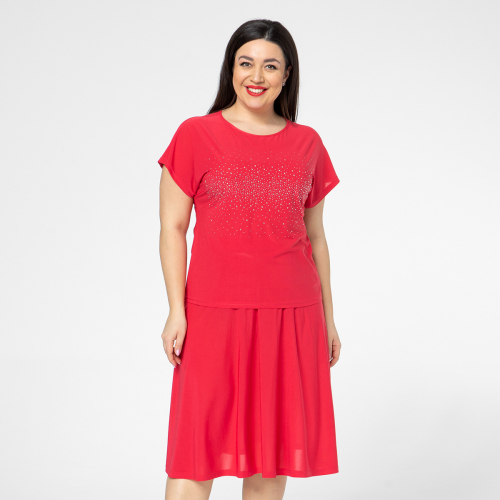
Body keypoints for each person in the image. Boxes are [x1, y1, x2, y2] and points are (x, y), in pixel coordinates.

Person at [157, 19, 342, 500]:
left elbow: (315, 237)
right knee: (195, 454)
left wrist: (328, 319)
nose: (256, 76)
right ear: (231, 68)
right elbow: (173, 229)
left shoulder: (307, 143)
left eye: (270, 66)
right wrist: (176, 309)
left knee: (270, 458)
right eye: (246, 63)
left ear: (287, 75)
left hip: (292, 314)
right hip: (212, 314)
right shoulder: (195, 134)